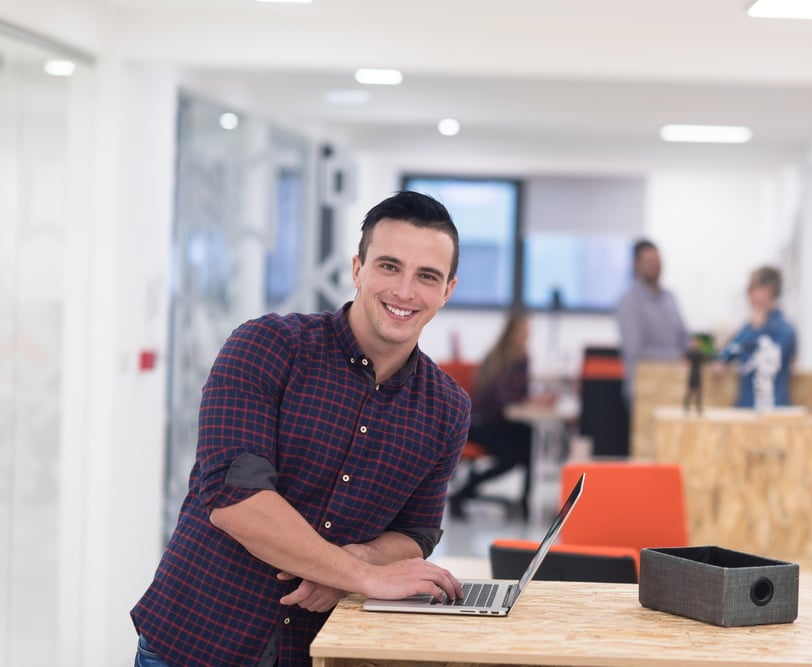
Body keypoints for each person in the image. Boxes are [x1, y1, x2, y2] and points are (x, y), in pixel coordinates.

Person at [131, 191, 469, 666]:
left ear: (447, 291)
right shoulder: (267, 346)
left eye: (427, 276)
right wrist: (364, 576)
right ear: (357, 269)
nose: (405, 291)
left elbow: (416, 532)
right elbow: (236, 502)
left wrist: (355, 565)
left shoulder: (448, 408)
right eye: (389, 266)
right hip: (198, 641)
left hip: (318, 651)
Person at [448, 309, 548, 520]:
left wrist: (529, 400)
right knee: (512, 456)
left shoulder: (510, 356)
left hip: (497, 423)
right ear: (512, 332)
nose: (526, 337)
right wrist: (528, 401)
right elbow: (501, 398)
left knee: (529, 438)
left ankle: (524, 500)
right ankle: (464, 491)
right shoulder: (505, 358)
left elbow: (516, 395)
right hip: (484, 424)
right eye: (523, 332)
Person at [616, 239, 690, 402]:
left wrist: (693, 350)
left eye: (657, 261)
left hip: (674, 386)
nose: (655, 265)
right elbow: (636, 351)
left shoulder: (669, 297)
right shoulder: (629, 302)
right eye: (649, 261)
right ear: (636, 264)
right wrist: (677, 356)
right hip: (645, 391)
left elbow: (684, 336)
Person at [716, 265, 797, 408]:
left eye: (752, 288)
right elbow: (722, 359)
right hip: (745, 410)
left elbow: (764, 358)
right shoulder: (747, 329)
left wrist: (755, 330)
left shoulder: (785, 331)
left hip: (774, 411)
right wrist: (751, 330)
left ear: (768, 290)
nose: (748, 295)